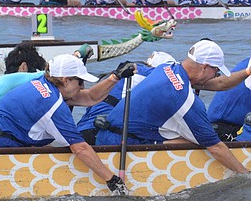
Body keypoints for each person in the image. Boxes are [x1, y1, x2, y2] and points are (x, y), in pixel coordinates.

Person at [0, 54, 126, 193]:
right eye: (80, 81)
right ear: (65, 80)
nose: (83, 86)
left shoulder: (42, 82)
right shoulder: (52, 105)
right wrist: (111, 180)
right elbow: (80, 149)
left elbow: (90, 98)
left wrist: (115, 77)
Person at [96, 40, 249, 176]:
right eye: (216, 70)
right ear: (205, 67)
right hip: (122, 148)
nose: (216, 75)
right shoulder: (185, 100)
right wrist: (245, 175)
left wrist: (247, 72)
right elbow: (216, 148)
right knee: (202, 140)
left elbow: (221, 84)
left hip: (104, 137)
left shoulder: (166, 69)